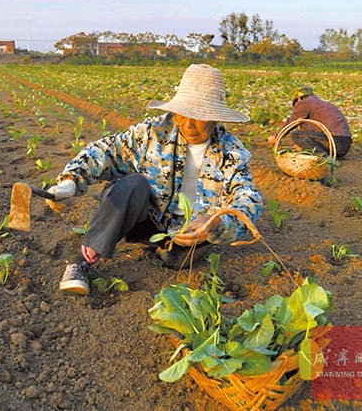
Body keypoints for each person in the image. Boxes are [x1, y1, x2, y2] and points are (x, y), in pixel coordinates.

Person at [49, 64, 263, 295]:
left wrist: (216, 223)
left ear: (214, 118)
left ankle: (165, 250)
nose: (189, 123)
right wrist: (71, 180)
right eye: (184, 112)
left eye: (199, 116)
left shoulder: (231, 153)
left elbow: (248, 199)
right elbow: (106, 151)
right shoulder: (153, 133)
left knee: (176, 260)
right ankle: (79, 263)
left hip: (188, 232)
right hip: (144, 217)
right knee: (132, 185)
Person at [269, 86, 351, 158]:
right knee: (303, 135)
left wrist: (277, 137)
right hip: (344, 144)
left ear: (299, 98)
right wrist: (305, 145)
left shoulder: (305, 103)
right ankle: (324, 154)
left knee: (297, 134)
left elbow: (292, 122)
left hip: (336, 142)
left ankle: (323, 157)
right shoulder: (320, 104)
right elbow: (316, 131)